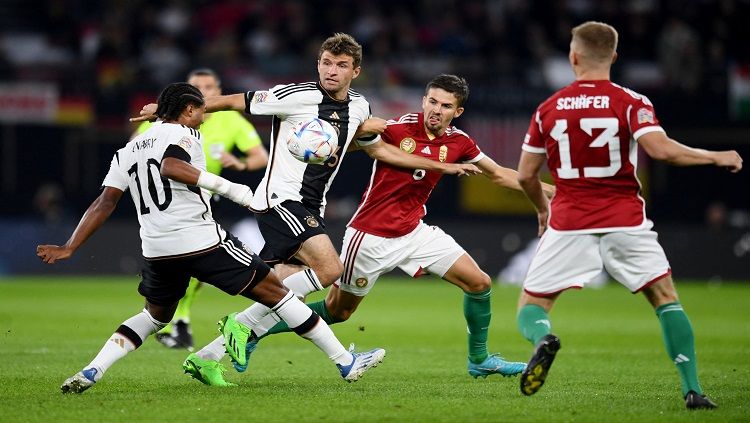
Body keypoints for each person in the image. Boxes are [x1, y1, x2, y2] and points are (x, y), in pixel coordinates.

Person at [133, 33, 480, 385]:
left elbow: (376, 149)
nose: (332, 71)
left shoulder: (359, 106)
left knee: (277, 291)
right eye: (326, 63)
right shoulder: (294, 95)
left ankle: (207, 356)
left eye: (341, 65)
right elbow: (232, 101)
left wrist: (439, 165)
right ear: (318, 64)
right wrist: (167, 112)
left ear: (355, 71)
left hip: (311, 206)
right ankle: (264, 332)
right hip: (280, 201)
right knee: (331, 269)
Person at [38, 82, 385, 393]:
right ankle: (345, 362)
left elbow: (104, 202)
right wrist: (235, 190)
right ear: (188, 110)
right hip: (200, 240)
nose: (205, 116)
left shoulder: (127, 151)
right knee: (279, 295)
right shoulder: (185, 135)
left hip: (157, 249)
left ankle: (93, 369)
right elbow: (171, 167)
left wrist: (70, 246)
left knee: (154, 317)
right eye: (202, 110)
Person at [232, 74, 556, 379]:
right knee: (339, 311)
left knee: (479, 283)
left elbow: (498, 173)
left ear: (457, 111)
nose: (435, 110)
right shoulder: (398, 128)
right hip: (369, 236)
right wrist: (352, 131)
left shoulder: (460, 143)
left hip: (415, 232)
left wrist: (554, 191)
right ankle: (254, 330)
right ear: (424, 100)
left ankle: (480, 360)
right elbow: (354, 140)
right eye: (431, 101)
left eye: (445, 106)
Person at [514, 21, 742, 409]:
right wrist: (715, 155)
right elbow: (663, 150)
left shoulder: (548, 109)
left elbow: (525, 175)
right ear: (614, 57)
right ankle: (692, 389)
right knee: (665, 298)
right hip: (625, 219)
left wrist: (542, 209)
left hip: (569, 221)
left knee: (533, 305)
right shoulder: (631, 101)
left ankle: (543, 340)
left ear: (573, 57)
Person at [134, 68, 269, 351]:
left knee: (194, 266)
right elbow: (134, 149)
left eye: (210, 86)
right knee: (179, 263)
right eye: (198, 86)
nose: (205, 90)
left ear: (218, 91)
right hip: (165, 201)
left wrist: (241, 164)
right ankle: (173, 320)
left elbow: (261, 157)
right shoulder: (164, 119)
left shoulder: (230, 120)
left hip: (205, 200)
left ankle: (177, 320)